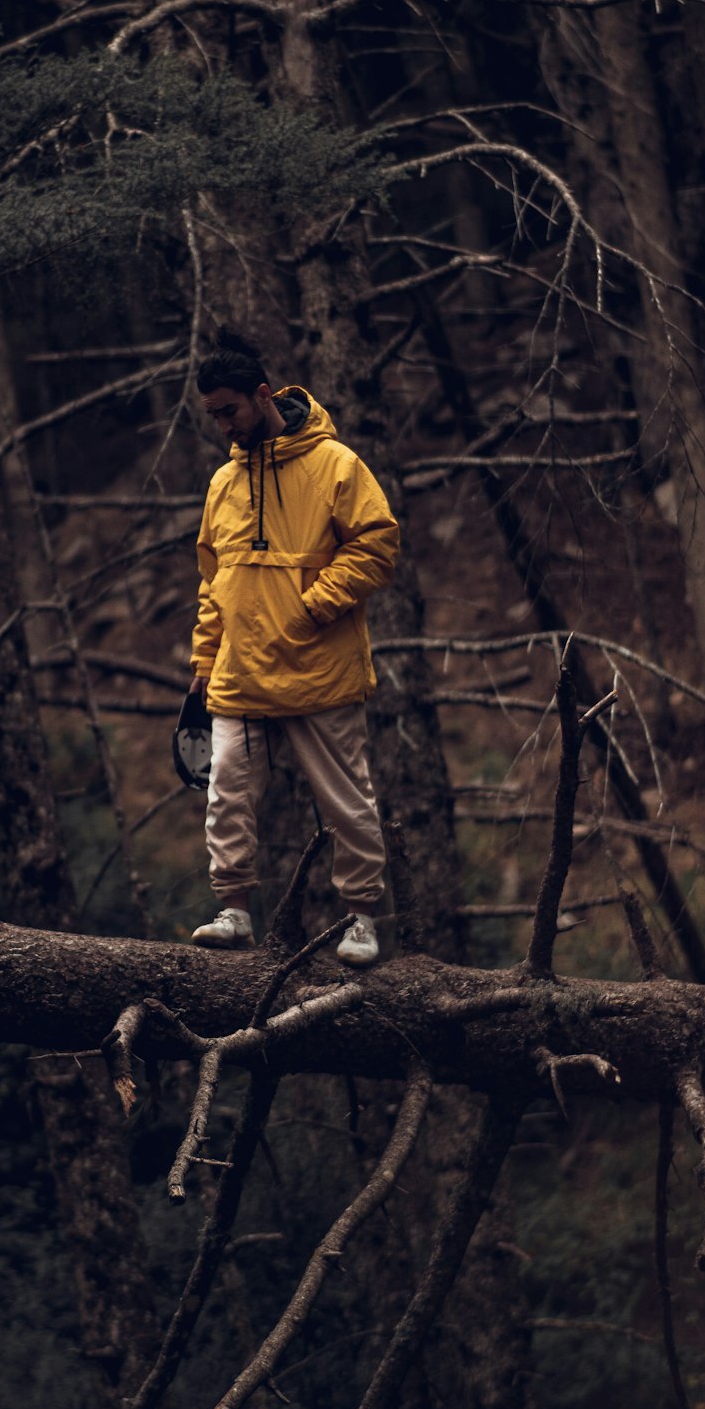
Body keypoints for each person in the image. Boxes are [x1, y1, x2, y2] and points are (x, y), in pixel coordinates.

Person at [187, 331, 399, 966]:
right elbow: (212, 580)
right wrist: (203, 659)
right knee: (226, 789)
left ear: (262, 395)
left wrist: (313, 605)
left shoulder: (336, 465)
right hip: (239, 673)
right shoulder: (224, 482)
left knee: (346, 798)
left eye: (229, 410)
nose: (222, 424)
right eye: (212, 415)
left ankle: (360, 919)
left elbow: (376, 545)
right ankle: (233, 910)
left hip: (320, 669)